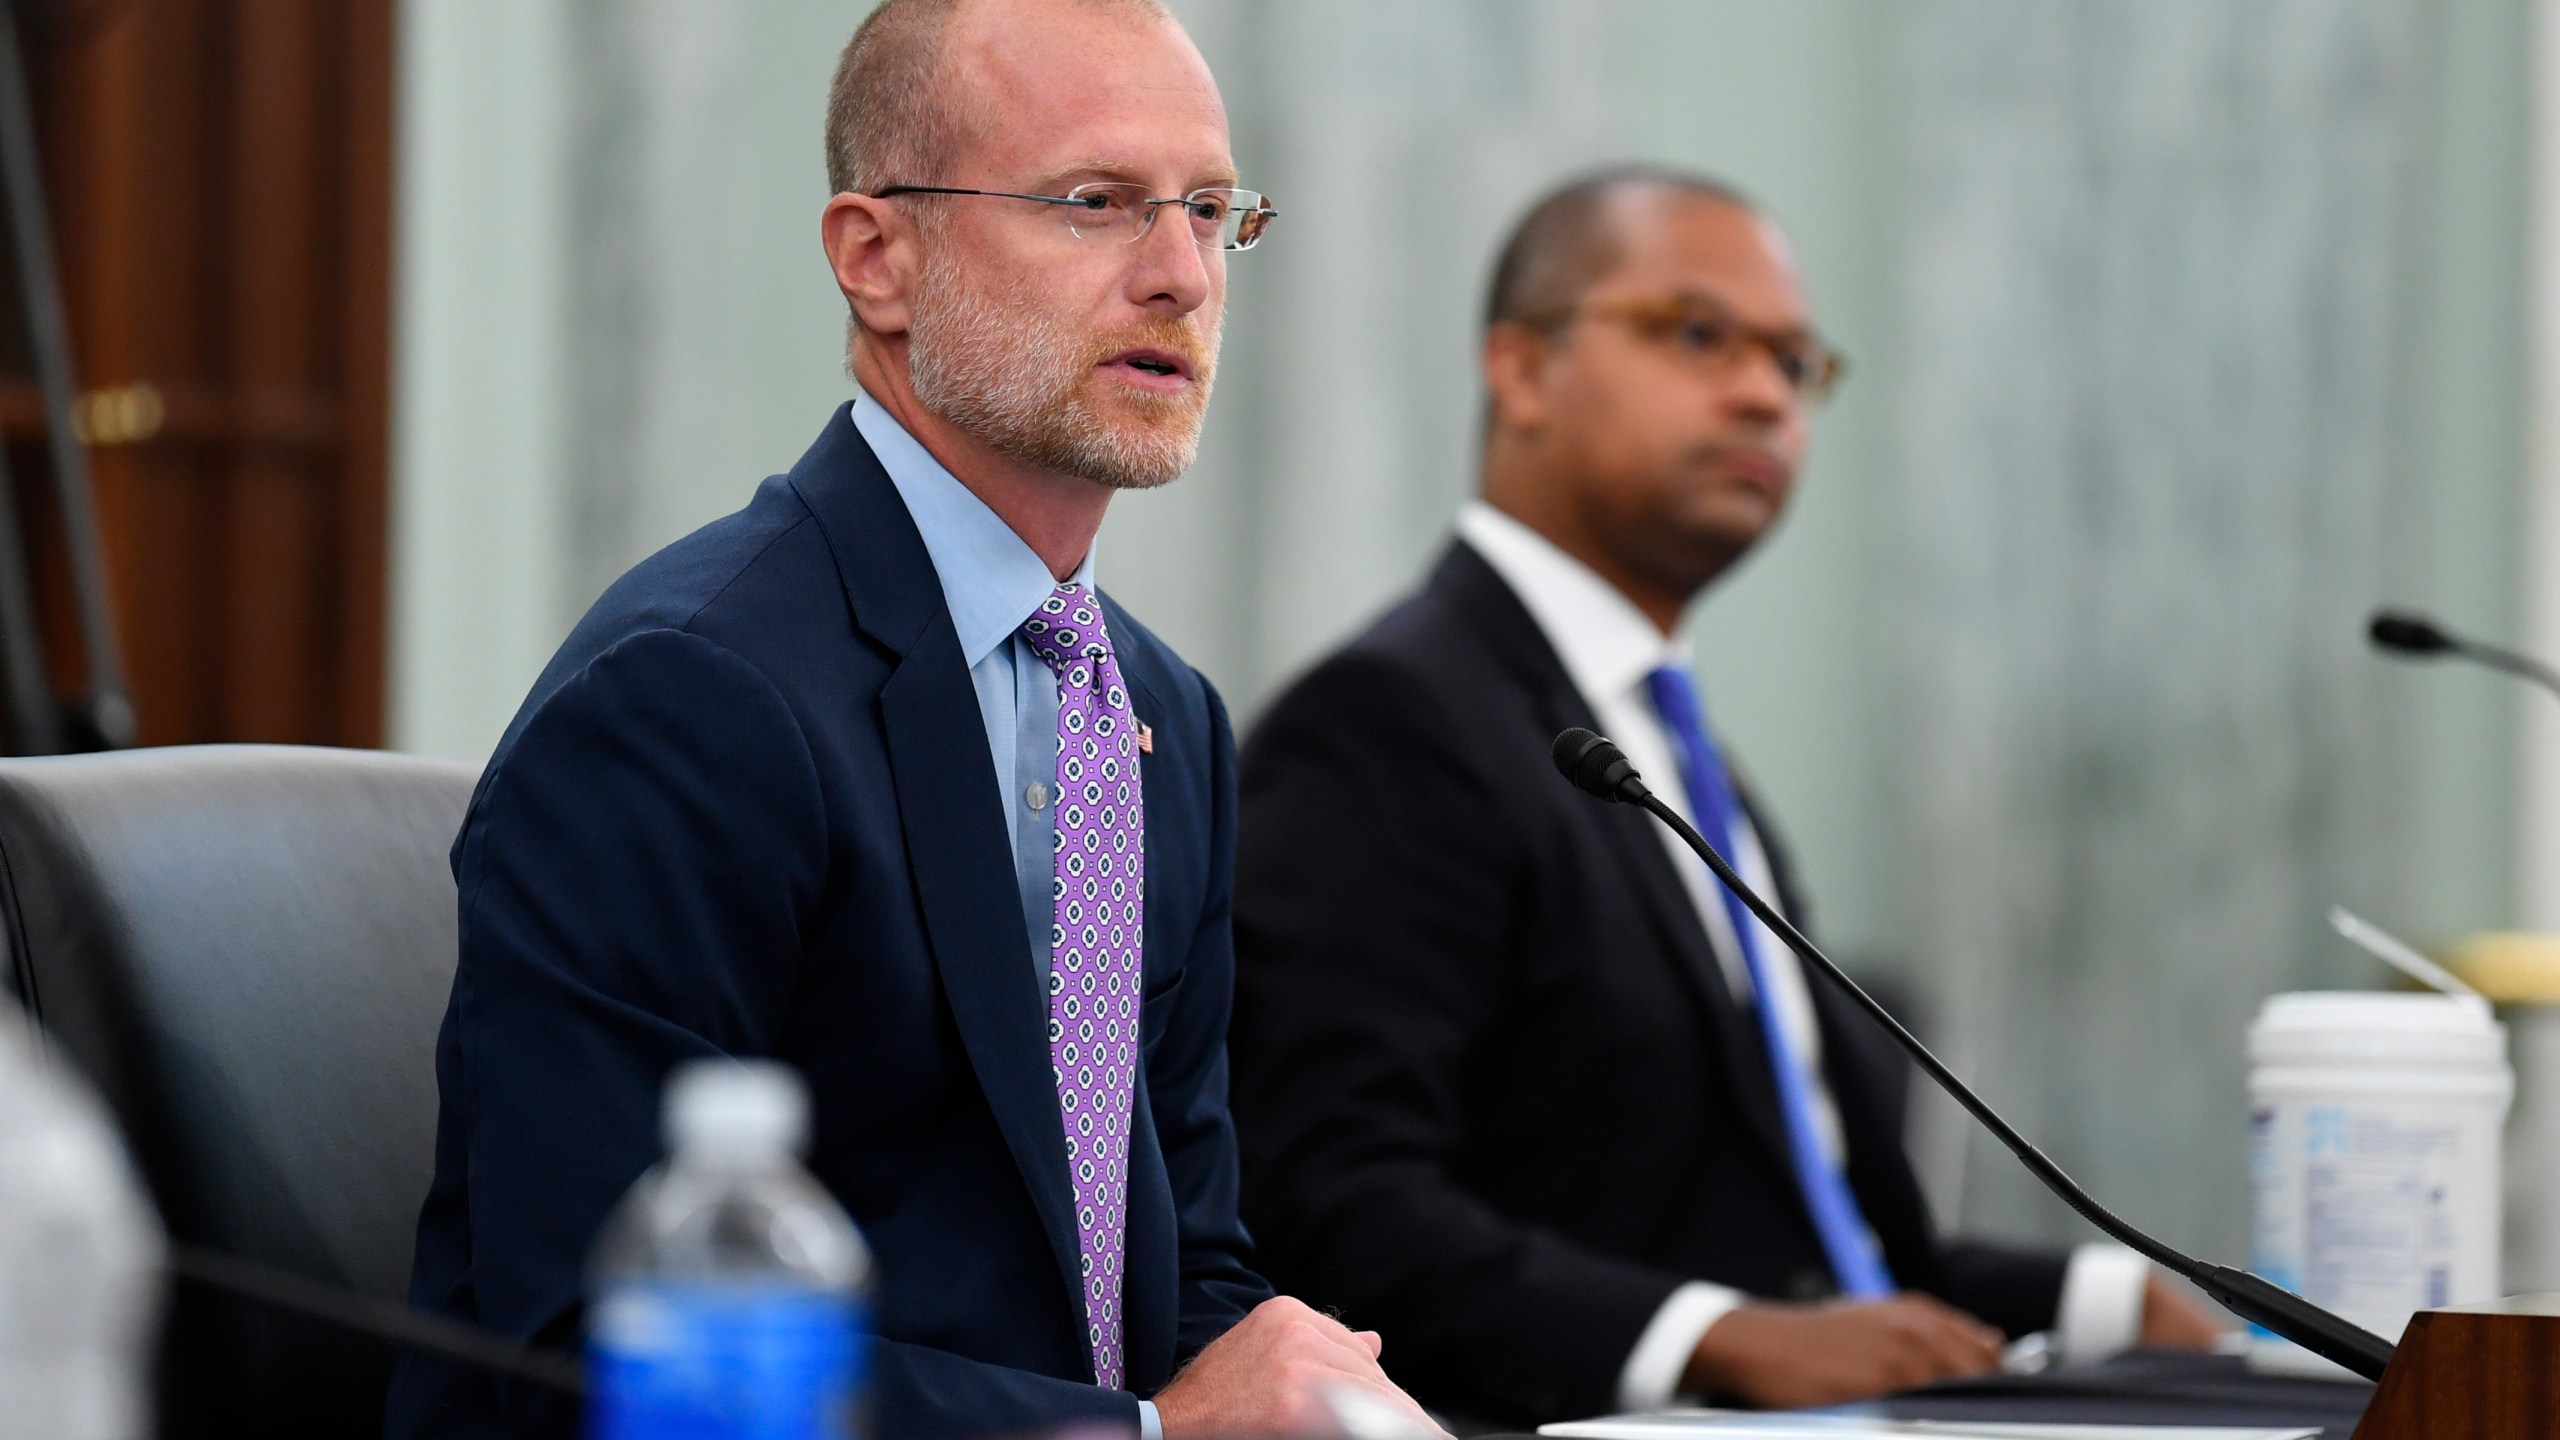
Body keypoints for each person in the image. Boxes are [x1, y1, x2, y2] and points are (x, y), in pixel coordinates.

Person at [385, 3, 1440, 1438]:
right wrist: (1157, 1434)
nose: (1182, 275)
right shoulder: (690, 698)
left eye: (1208, 209)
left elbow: (1172, 1268)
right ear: (877, 259)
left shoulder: (1157, 717)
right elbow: (602, 1351)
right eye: (1095, 204)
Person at [1227, 167, 2224, 1428]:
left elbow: (1847, 1264)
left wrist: (2106, 1297)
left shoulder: (1670, 753)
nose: (1762, 392)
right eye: (1696, 335)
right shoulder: (1391, 721)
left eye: (1796, 362)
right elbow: (1333, 1204)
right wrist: (1712, 1340)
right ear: (1520, 370)